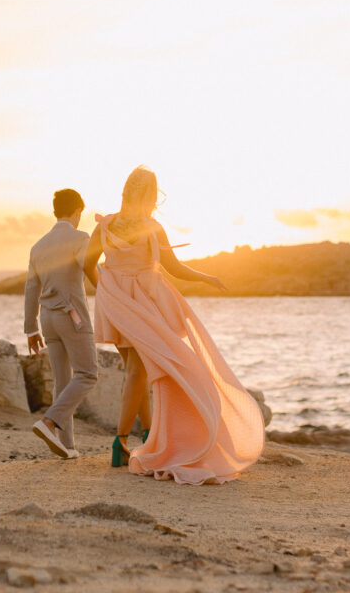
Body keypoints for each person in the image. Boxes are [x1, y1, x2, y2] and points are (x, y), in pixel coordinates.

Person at [83, 166, 265, 485]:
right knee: (140, 371)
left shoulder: (105, 225)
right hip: (145, 303)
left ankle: (148, 436)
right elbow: (174, 268)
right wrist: (205, 277)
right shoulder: (152, 227)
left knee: (135, 371)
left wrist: (107, 289)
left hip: (114, 301)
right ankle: (121, 441)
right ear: (151, 196)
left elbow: (86, 264)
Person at [24, 188, 98, 460]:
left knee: (63, 379)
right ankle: (49, 422)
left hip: (46, 319)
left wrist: (30, 328)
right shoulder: (81, 237)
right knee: (88, 373)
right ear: (77, 211)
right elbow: (85, 264)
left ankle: (68, 445)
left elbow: (31, 287)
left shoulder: (38, 245)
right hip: (71, 316)